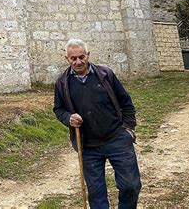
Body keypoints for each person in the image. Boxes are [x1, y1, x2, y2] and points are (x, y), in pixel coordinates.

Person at [53, 39, 141, 209]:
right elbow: (58, 109)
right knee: (96, 193)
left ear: (88, 55)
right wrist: (68, 118)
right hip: (87, 145)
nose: (78, 62)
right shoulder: (62, 82)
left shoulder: (105, 74)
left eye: (81, 57)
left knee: (131, 186)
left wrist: (128, 128)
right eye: (73, 58)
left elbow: (126, 101)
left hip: (116, 138)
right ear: (67, 59)